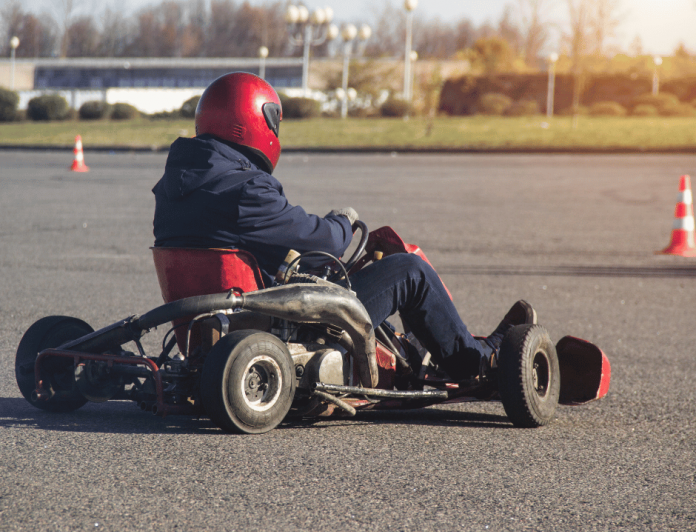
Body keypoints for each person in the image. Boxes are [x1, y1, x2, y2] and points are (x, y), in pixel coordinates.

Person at [153, 72, 536, 381]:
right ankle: (477, 361)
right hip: (279, 330)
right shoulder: (245, 188)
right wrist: (342, 221)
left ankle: (413, 352)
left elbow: (254, 245)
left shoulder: (174, 189)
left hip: (212, 330)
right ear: (250, 121)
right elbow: (321, 241)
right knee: (410, 270)